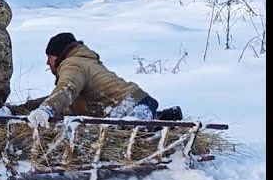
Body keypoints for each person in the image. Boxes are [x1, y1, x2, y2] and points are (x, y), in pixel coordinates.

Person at [21, 32, 181, 127]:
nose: (47, 63)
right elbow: (63, 99)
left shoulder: (73, 64)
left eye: (49, 57)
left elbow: (66, 90)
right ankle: (165, 118)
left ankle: (160, 124)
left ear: (58, 55)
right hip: (137, 101)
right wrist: (24, 108)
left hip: (130, 107)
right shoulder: (82, 61)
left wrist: (46, 110)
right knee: (124, 131)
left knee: (122, 139)